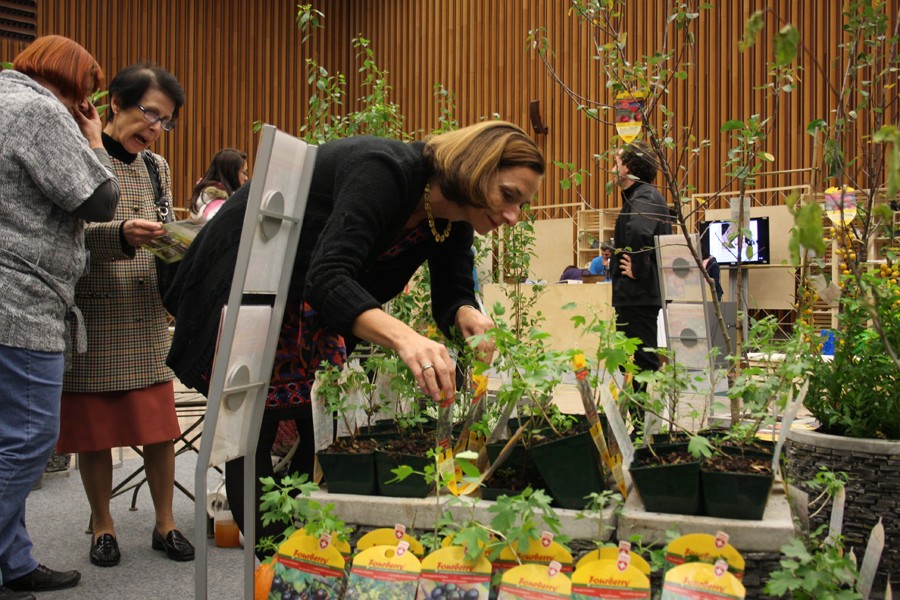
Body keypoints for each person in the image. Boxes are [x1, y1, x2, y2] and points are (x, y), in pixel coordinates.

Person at [165, 121, 544, 553]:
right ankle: (276, 563)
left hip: (307, 303)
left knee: (319, 426)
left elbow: (452, 290)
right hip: (247, 279)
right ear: (475, 169)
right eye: (508, 195)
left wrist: (466, 312)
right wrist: (404, 337)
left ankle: (301, 558)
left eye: (521, 205)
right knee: (256, 431)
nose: (512, 216)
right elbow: (328, 275)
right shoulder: (384, 170)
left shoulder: (452, 219)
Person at [55, 63, 194, 569]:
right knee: (94, 433)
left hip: (144, 313)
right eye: (150, 113)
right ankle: (103, 527)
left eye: (165, 121)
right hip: (93, 315)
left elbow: (164, 225)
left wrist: (181, 243)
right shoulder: (79, 154)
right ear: (115, 102)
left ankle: (165, 524)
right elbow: (62, 236)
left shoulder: (158, 167)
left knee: (159, 429)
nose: (155, 128)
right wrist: (118, 235)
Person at [0, 35, 119, 599]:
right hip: (21, 303)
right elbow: (99, 200)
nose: (84, 105)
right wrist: (94, 140)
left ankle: (15, 563)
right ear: (72, 83)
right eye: (86, 93)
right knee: (30, 438)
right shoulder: (40, 111)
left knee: (7, 439)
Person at [610, 139, 672, 394]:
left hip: (638, 295)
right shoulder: (639, 196)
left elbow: (639, 230)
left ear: (628, 167)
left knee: (641, 361)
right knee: (630, 360)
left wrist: (638, 267)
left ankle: (642, 417)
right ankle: (636, 414)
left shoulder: (645, 196)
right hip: (634, 296)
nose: (613, 168)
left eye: (616, 162)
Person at [188, 147, 249, 220]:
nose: (246, 178)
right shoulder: (220, 209)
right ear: (231, 174)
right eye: (244, 173)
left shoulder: (205, 200)